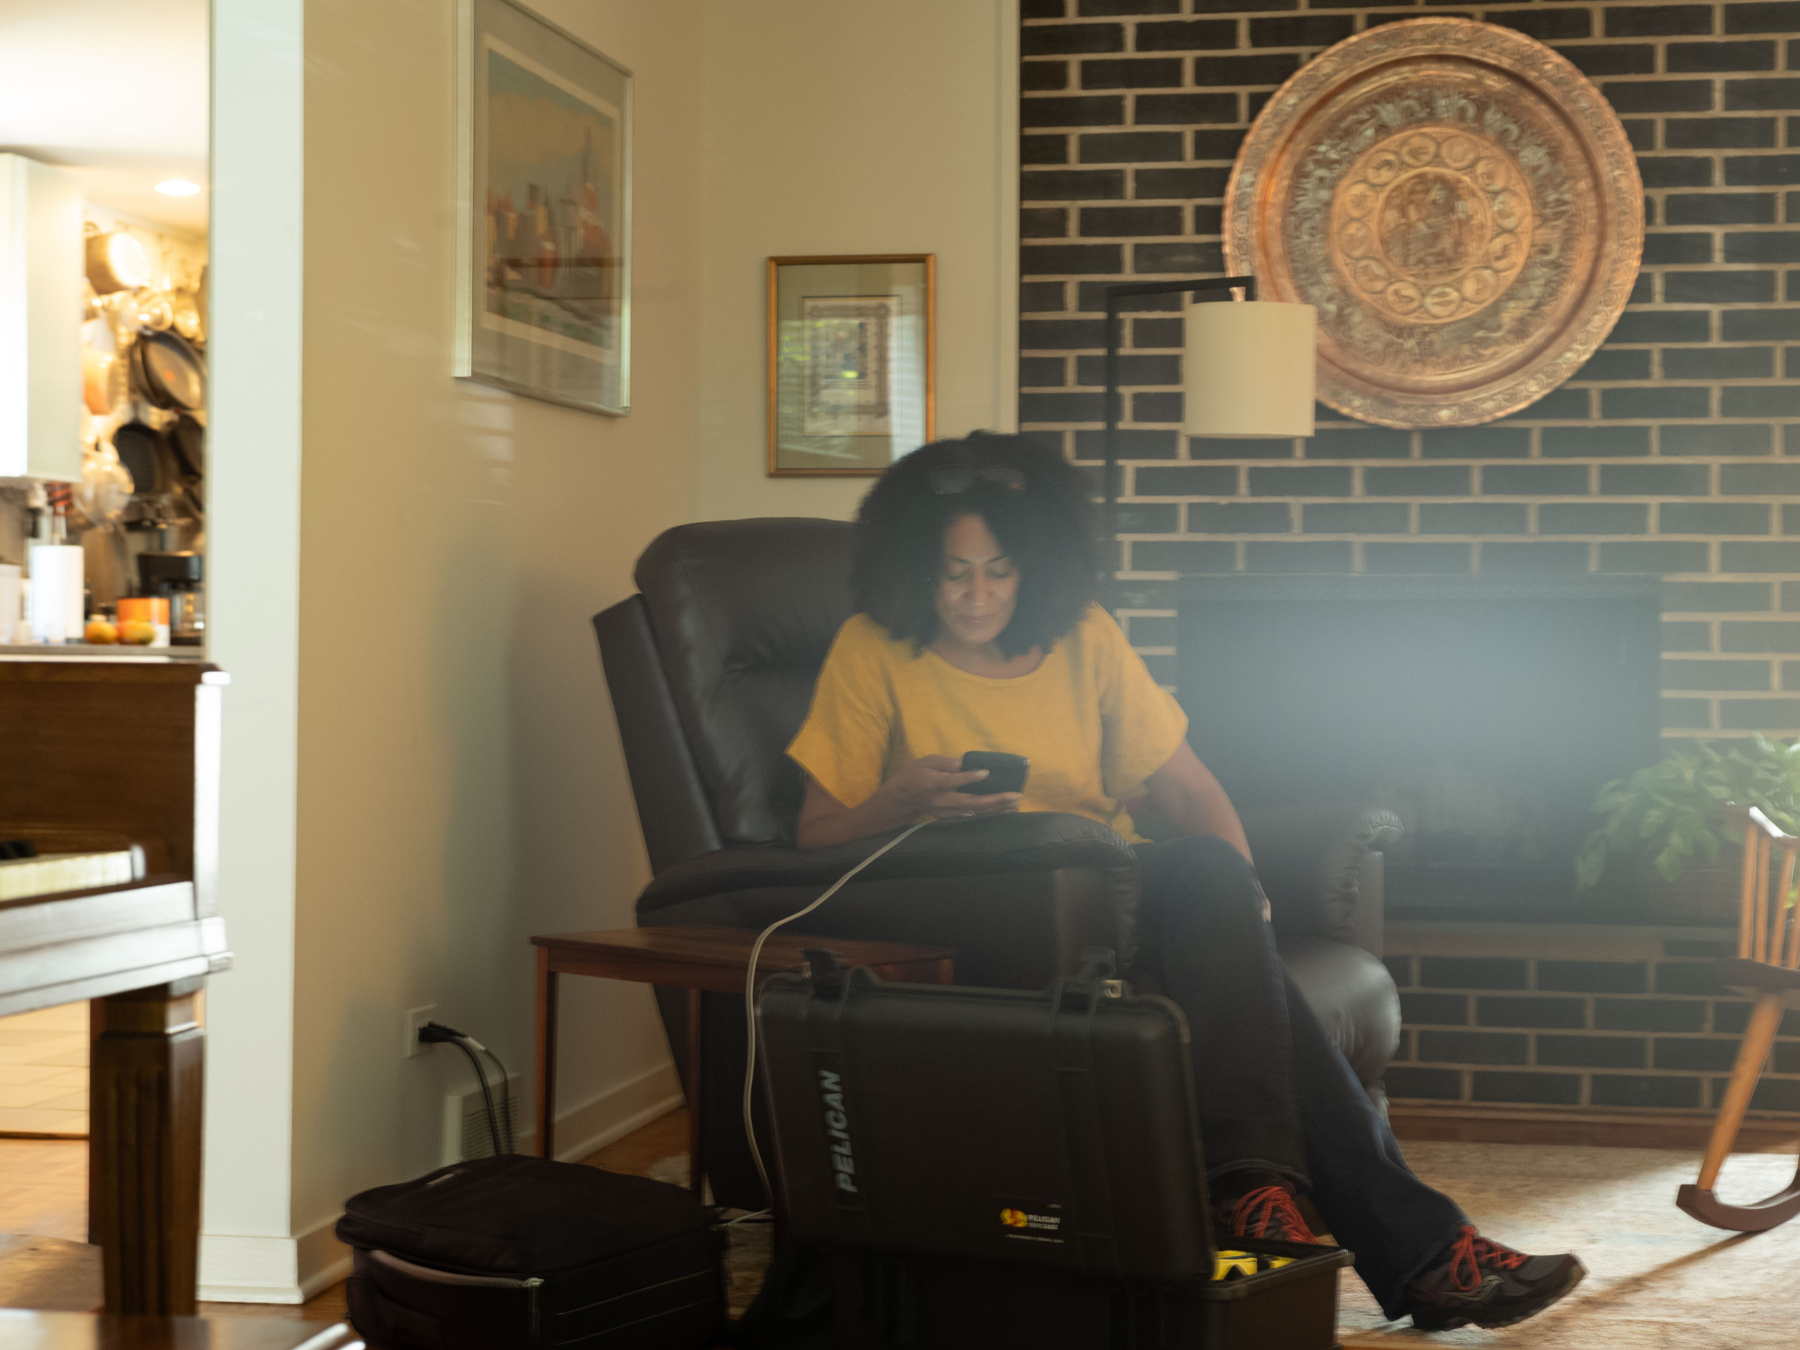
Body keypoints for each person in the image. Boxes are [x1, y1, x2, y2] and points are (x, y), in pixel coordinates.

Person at [784, 432, 1585, 1332]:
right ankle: (1428, 1252)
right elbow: (817, 832)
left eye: (999, 571)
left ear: (1036, 565)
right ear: (911, 569)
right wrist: (897, 797)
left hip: (1117, 892)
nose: (976, 596)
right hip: (984, 908)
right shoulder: (873, 649)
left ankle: (1257, 1192)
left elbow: (1193, 790)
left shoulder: (1085, 638)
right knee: (1234, 954)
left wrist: (1244, 897)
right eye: (952, 573)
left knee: (1206, 864)